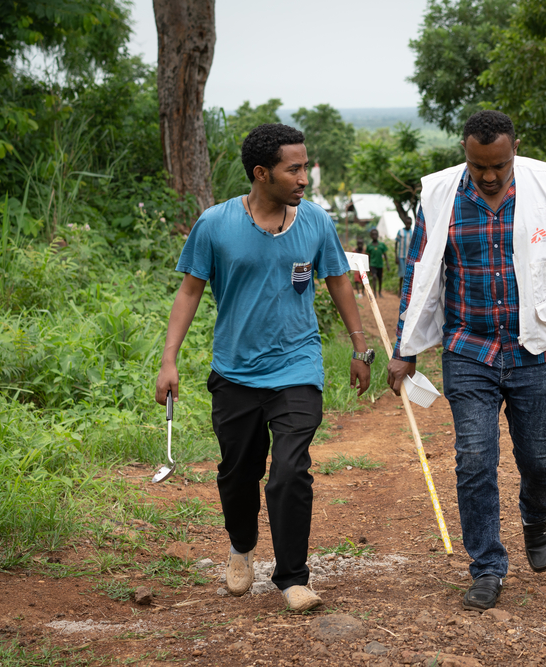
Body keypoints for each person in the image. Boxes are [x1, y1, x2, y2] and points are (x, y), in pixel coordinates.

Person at [154, 123, 374, 613]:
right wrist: (168, 360)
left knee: (290, 470)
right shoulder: (215, 224)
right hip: (235, 371)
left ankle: (293, 576)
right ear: (261, 173)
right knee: (238, 473)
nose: (303, 178)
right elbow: (189, 291)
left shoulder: (315, 222)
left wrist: (360, 349)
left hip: (298, 366)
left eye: (303, 166)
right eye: (292, 169)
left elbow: (338, 280)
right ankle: (241, 546)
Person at [387, 110, 546, 611]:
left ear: (514, 150)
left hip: (535, 348)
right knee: (475, 458)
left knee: (539, 460)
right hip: (469, 349)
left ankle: (534, 516)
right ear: (465, 152)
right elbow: (418, 273)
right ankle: (486, 566)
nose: (488, 176)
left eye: (498, 165)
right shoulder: (440, 196)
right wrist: (404, 348)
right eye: (478, 165)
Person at [365, 227, 388, 297]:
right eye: (373, 234)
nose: (374, 236)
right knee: (374, 277)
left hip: (380, 264)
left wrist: (387, 264)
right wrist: (367, 266)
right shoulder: (369, 246)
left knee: (380, 278)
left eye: (376, 234)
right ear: (371, 236)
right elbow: (368, 257)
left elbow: (385, 255)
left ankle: (380, 292)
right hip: (373, 264)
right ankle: (374, 293)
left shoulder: (382, 245)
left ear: (377, 235)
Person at [394, 217, 413, 288]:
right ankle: (400, 290)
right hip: (401, 256)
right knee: (402, 274)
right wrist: (396, 256)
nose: (408, 225)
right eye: (407, 223)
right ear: (405, 223)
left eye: (410, 223)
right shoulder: (400, 231)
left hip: (409, 257)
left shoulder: (412, 232)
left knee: (408, 274)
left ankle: (406, 290)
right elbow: (396, 243)